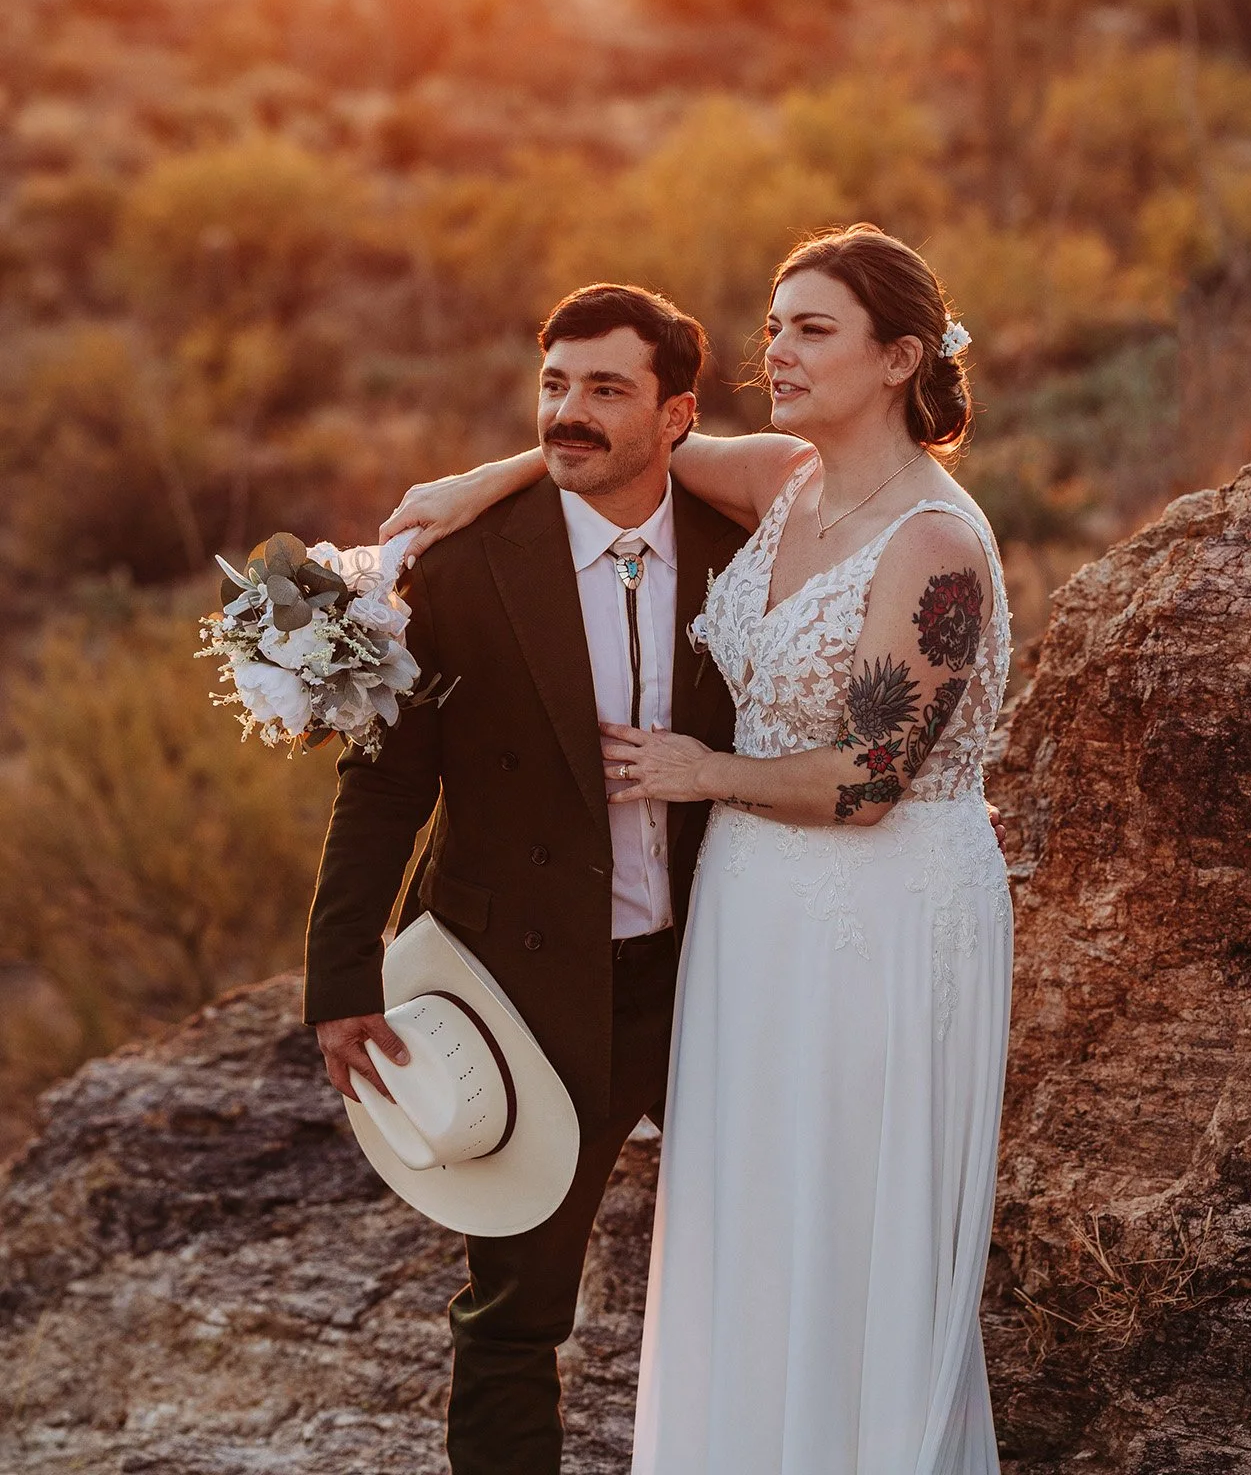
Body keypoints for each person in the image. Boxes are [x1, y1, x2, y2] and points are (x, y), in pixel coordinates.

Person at [384, 223, 1013, 1474]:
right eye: (774, 323)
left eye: (812, 328)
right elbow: (621, 439)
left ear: (899, 358)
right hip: (752, 907)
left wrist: (698, 769)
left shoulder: (934, 542)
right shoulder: (785, 476)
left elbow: (875, 777)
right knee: (746, 1215)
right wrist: (480, 482)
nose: (775, 348)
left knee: (844, 1213)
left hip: (878, 914)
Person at [304, 284, 750, 1475]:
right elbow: (386, 782)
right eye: (555, 384)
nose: (570, 411)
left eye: (607, 388)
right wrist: (340, 974)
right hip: (524, 985)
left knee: (760, 1266)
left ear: (678, 414)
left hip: (715, 969)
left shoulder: (745, 552)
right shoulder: (461, 569)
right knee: (515, 1308)